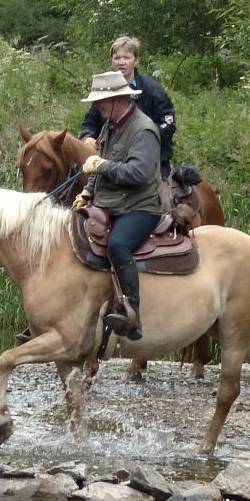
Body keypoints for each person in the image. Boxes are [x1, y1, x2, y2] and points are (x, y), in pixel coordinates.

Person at [73, 70, 160, 341]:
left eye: (100, 102)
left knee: (118, 245)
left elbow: (139, 174)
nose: (96, 107)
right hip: (111, 202)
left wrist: (103, 165)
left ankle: (131, 313)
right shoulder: (111, 125)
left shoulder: (144, 129)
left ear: (116, 100)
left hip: (140, 206)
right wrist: (87, 192)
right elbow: (103, 168)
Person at [81, 36, 176, 178]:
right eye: (117, 58)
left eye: (126, 57)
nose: (121, 62)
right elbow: (89, 122)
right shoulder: (104, 91)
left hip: (151, 159)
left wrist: (141, 139)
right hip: (109, 160)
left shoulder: (153, 90)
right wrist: (87, 137)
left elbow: (168, 123)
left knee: (159, 196)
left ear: (136, 60)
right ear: (111, 61)